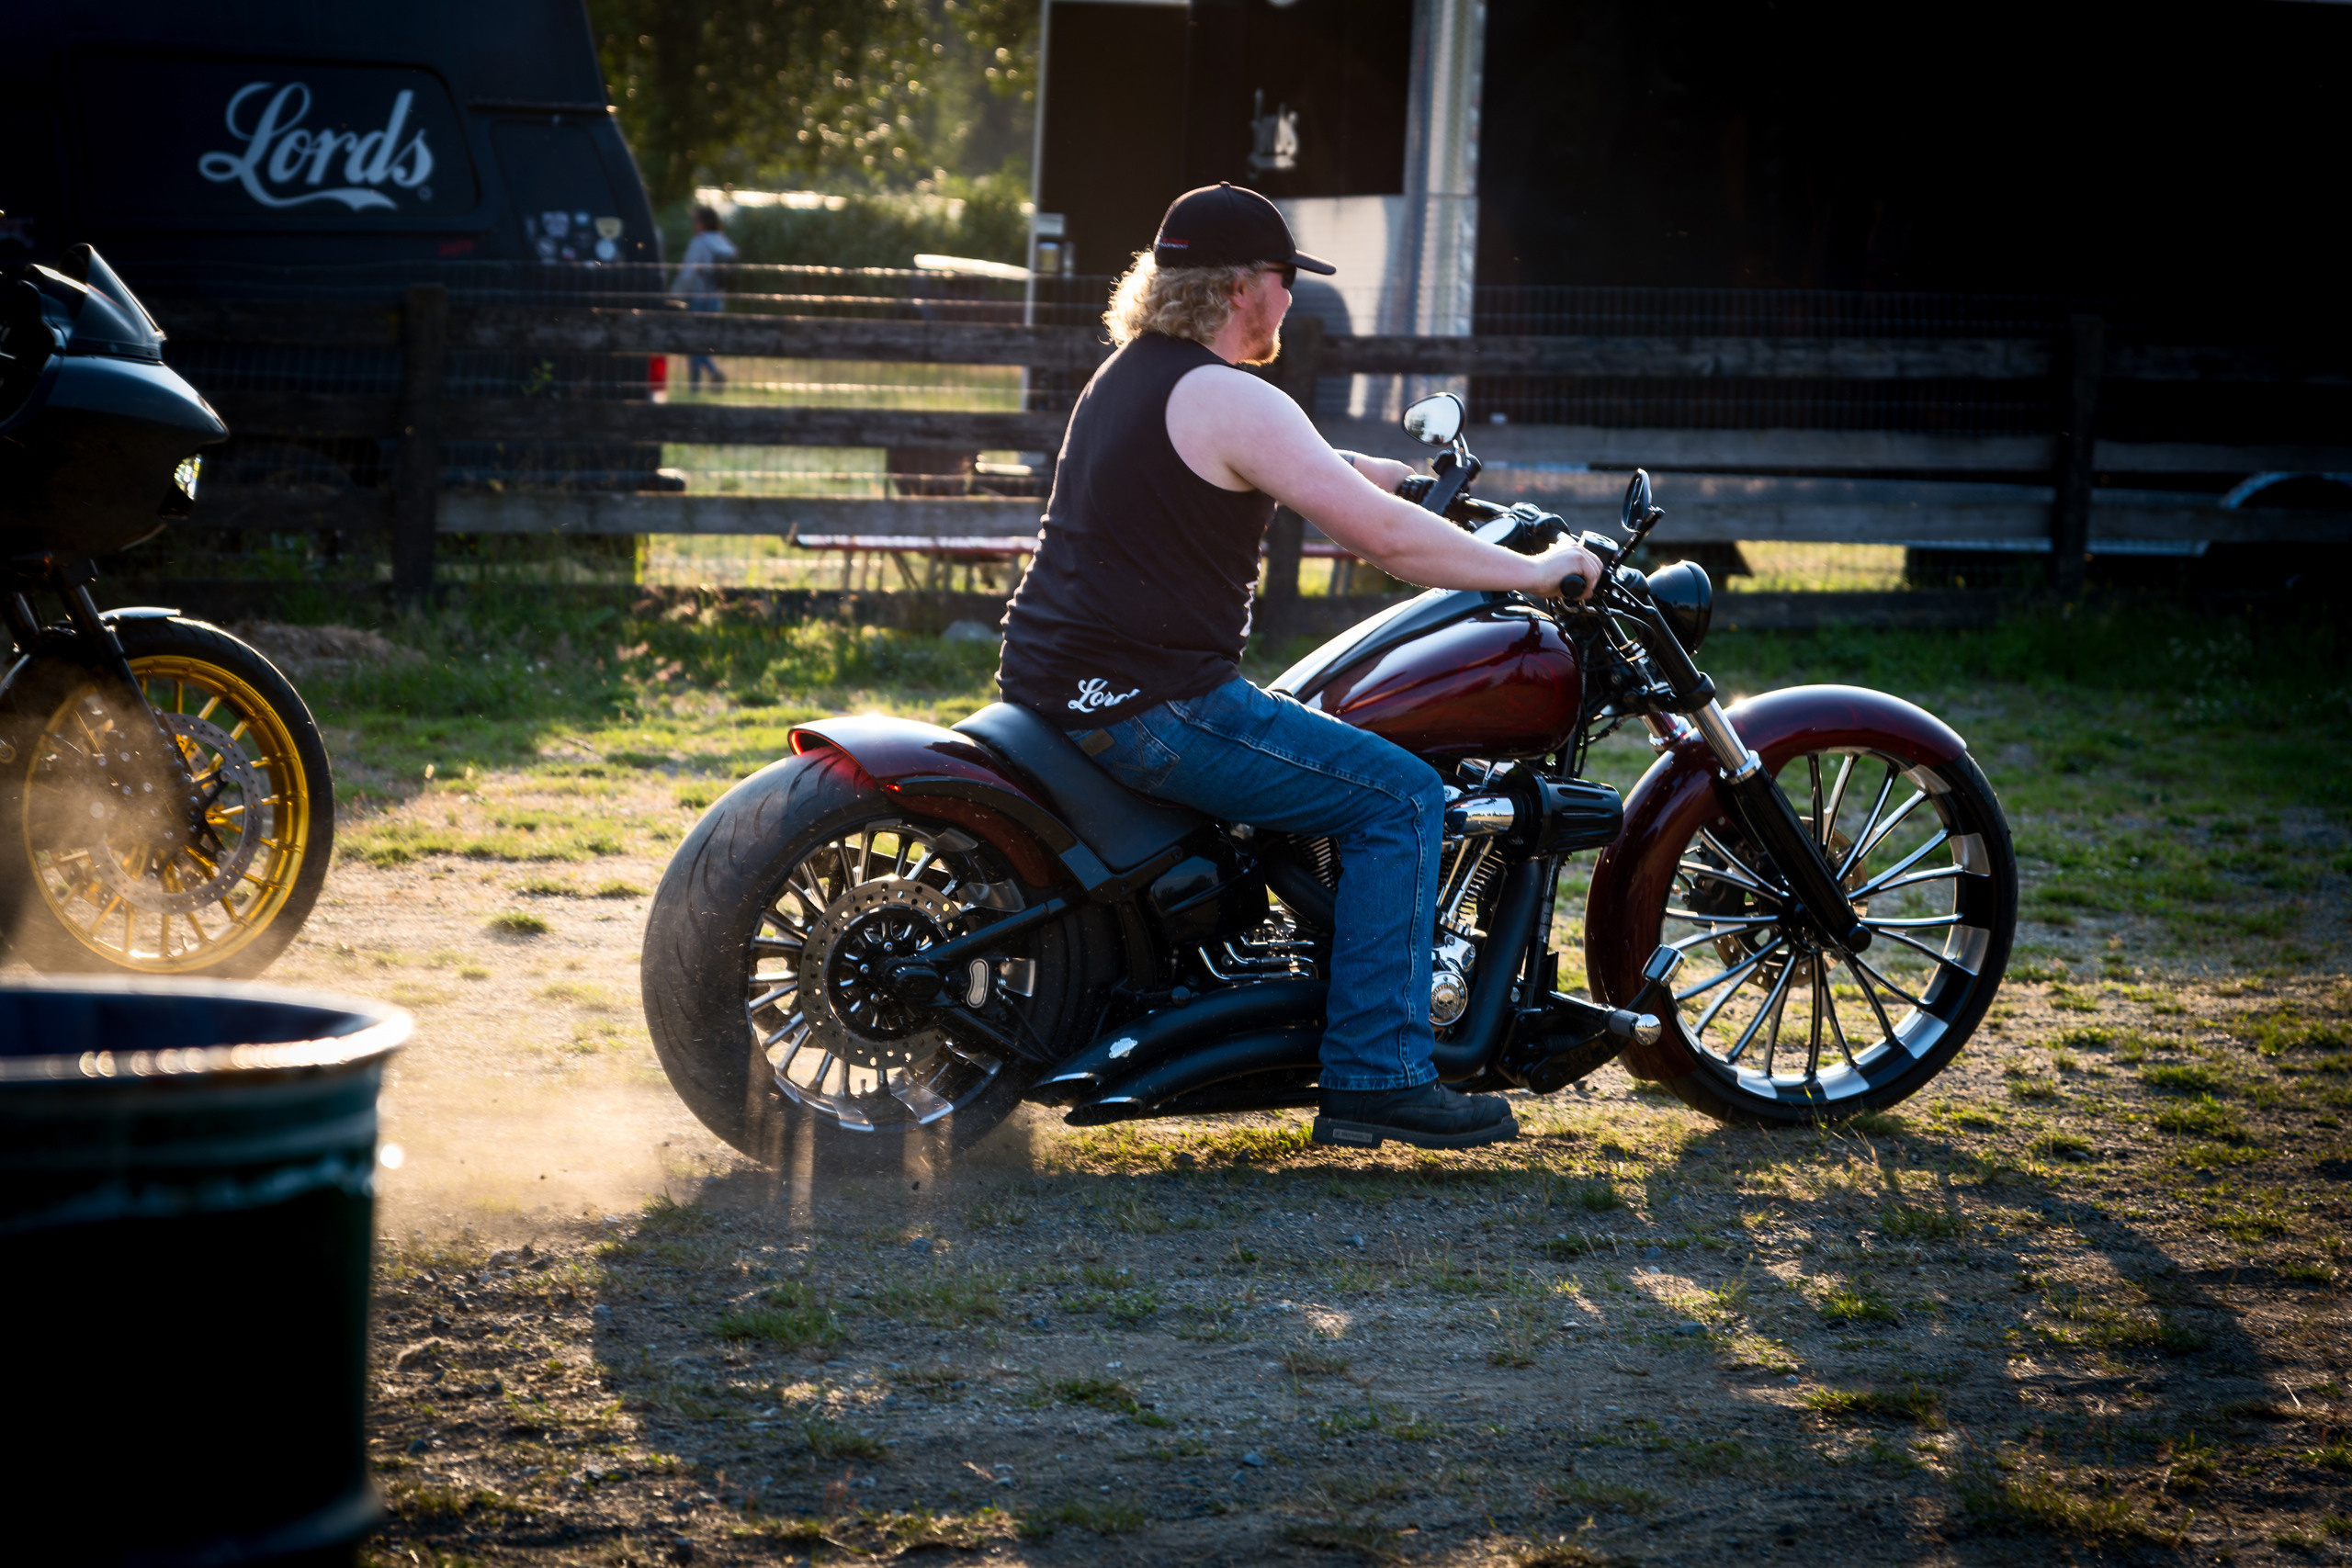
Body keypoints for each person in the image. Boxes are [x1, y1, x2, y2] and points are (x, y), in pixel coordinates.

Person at [996, 183, 1602, 1150]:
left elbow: (1297, 460)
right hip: (1156, 707)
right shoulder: (1231, 395)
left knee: (1325, 750)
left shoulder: (1136, 375)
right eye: (1285, 278)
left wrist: (1390, 477)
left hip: (1067, 687)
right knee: (1401, 797)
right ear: (1241, 286)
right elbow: (1384, 542)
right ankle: (1377, 1072)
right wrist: (1536, 573)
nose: (1291, 297)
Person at [671, 204, 737, 389]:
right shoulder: (724, 243)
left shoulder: (699, 243)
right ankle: (696, 384)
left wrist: (674, 295)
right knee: (704, 341)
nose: (693, 224)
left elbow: (687, 274)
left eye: (695, 220)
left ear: (702, 223)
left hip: (698, 297)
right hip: (716, 299)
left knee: (694, 341)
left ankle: (703, 379)